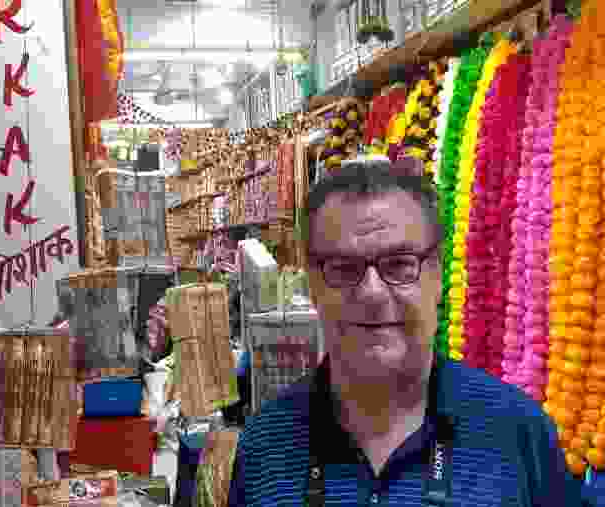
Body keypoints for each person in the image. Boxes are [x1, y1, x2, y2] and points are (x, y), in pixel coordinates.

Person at [228, 160, 581, 507]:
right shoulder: (263, 449)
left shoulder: (518, 434)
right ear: (313, 285)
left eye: (399, 264)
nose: (372, 292)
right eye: (343, 268)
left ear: (438, 275)